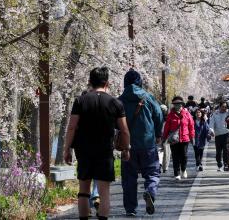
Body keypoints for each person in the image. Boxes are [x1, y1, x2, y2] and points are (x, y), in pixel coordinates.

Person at [63, 67, 130, 220]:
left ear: (89, 82)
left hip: (84, 151)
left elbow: (72, 126)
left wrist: (67, 149)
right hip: (105, 152)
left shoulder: (80, 100)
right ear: (107, 83)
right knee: (104, 192)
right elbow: (125, 131)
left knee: (84, 190)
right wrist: (125, 149)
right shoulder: (116, 103)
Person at [118, 69, 163, 216]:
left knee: (129, 178)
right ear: (140, 82)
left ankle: (130, 209)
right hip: (147, 142)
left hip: (128, 145)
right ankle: (150, 191)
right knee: (152, 172)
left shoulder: (120, 100)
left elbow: (114, 122)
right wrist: (157, 134)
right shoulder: (148, 97)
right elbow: (159, 116)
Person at [162, 96, 195, 180]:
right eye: (176, 104)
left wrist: (192, 137)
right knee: (175, 156)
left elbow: (191, 126)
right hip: (174, 139)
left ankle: (183, 169)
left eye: (180, 104)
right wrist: (164, 138)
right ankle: (176, 173)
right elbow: (166, 128)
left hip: (185, 138)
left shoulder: (187, 114)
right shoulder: (170, 115)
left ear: (182, 105)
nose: (178, 106)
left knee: (184, 155)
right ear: (174, 105)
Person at [209, 101, 229, 171]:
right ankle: (219, 163)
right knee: (218, 151)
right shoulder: (215, 114)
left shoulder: (228, 113)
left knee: (226, 149)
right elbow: (211, 124)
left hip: (226, 134)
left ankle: (226, 164)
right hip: (218, 135)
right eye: (223, 107)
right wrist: (211, 131)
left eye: (225, 107)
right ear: (219, 106)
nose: (224, 108)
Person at [159, 104, 171, 174]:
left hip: (161, 134)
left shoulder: (156, 115)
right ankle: (165, 167)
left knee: (160, 150)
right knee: (167, 152)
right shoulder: (169, 117)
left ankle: (160, 164)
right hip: (166, 135)